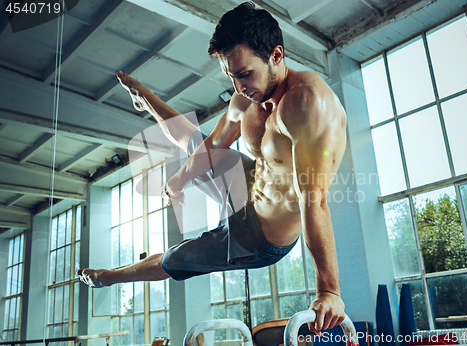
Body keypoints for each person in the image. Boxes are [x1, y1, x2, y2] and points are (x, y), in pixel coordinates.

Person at [77, 2, 347, 335]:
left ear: (276, 55)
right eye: (231, 76)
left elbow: (314, 199)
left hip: (261, 236)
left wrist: (329, 291)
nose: (238, 88)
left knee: (177, 258)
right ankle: (146, 97)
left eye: (245, 73)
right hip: (250, 182)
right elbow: (213, 144)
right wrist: (180, 179)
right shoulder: (246, 96)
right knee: (195, 145)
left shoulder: (308, 104)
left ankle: (107, 277)